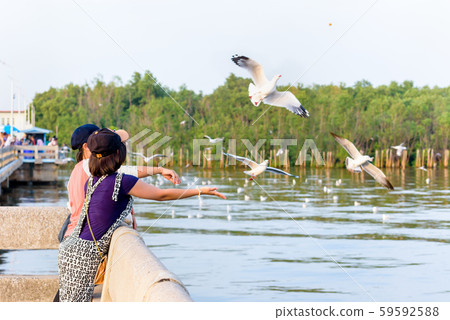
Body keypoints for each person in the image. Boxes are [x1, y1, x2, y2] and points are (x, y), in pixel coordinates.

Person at [58, 129, 226, 301]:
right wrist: (200, 191)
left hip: (70, 247)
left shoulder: (92, 180)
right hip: (85, 254)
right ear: (118, 154)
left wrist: (158, 170)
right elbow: (161, 195)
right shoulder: (122, 181)